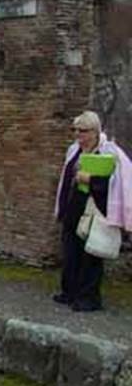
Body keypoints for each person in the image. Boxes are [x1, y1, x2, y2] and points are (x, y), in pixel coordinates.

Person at [54, 111, 132, 311]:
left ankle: (88, 298)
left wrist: (91, 180)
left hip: (95, 210)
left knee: (91, 256)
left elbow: (118, 184)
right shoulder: (74, 151)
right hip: (74, 208)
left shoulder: (109, 153)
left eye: (84, 131)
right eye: (76, 131)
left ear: (95, 132)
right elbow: (65, 179)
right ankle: (69, 292)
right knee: (71, 252)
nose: (79, 135)